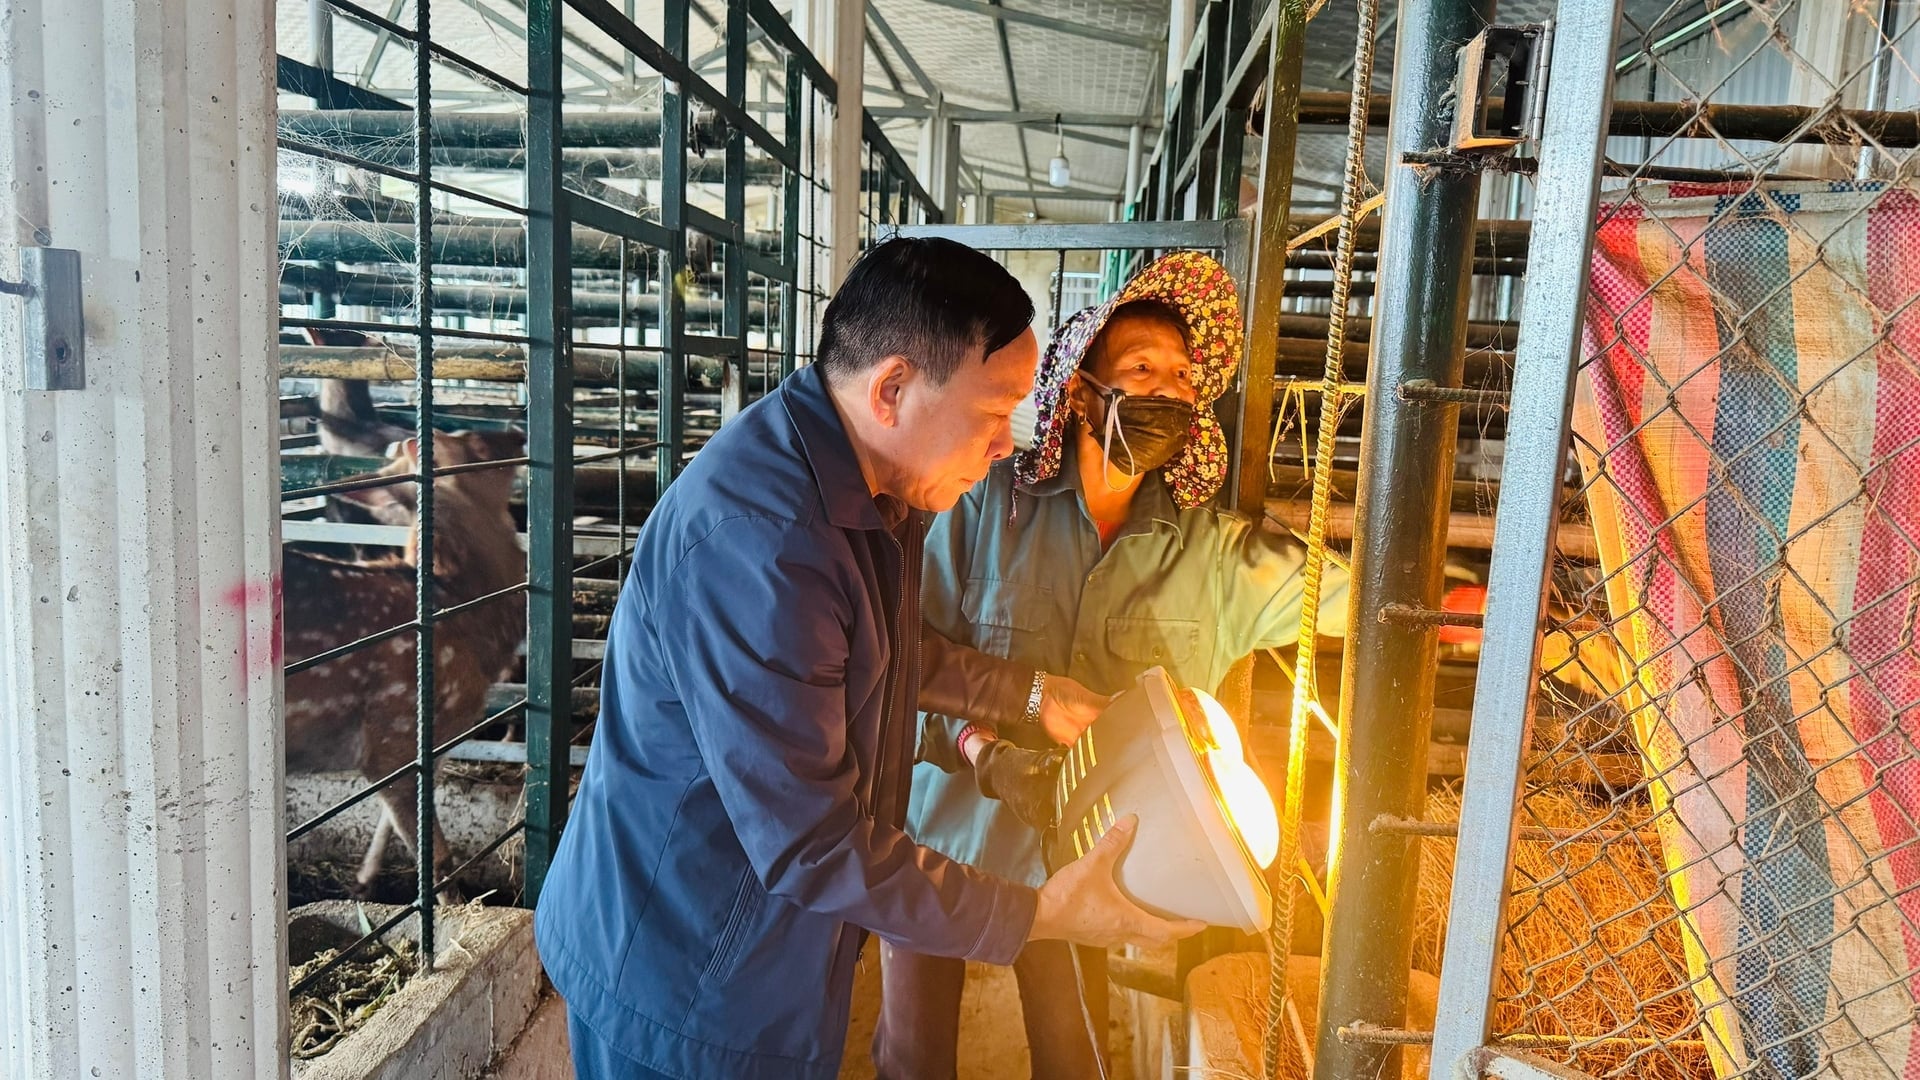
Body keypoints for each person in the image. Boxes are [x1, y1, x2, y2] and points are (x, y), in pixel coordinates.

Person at [533, 237, 1204, 1080]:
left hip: (753, 943)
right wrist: (1039, 912)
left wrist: (1029, 694)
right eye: (995, 411)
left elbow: (877, 650)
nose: (1007, 446)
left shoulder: (872, 484)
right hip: (684, 971)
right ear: (893, 388)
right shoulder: (767, 545)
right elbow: (812, 846)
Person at [874, 251, 1351, 1080]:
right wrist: (985, 754)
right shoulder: (984, 502)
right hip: (948, 830)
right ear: (1083, 393)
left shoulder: (1207, 551)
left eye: (1182, 377)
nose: (1168, 390)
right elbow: (902, 661)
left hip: (1090, 861)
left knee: (1077, 1056)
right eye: (1141, 368)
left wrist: (1461, 603)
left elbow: (1343, 595)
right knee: (914, 1059)